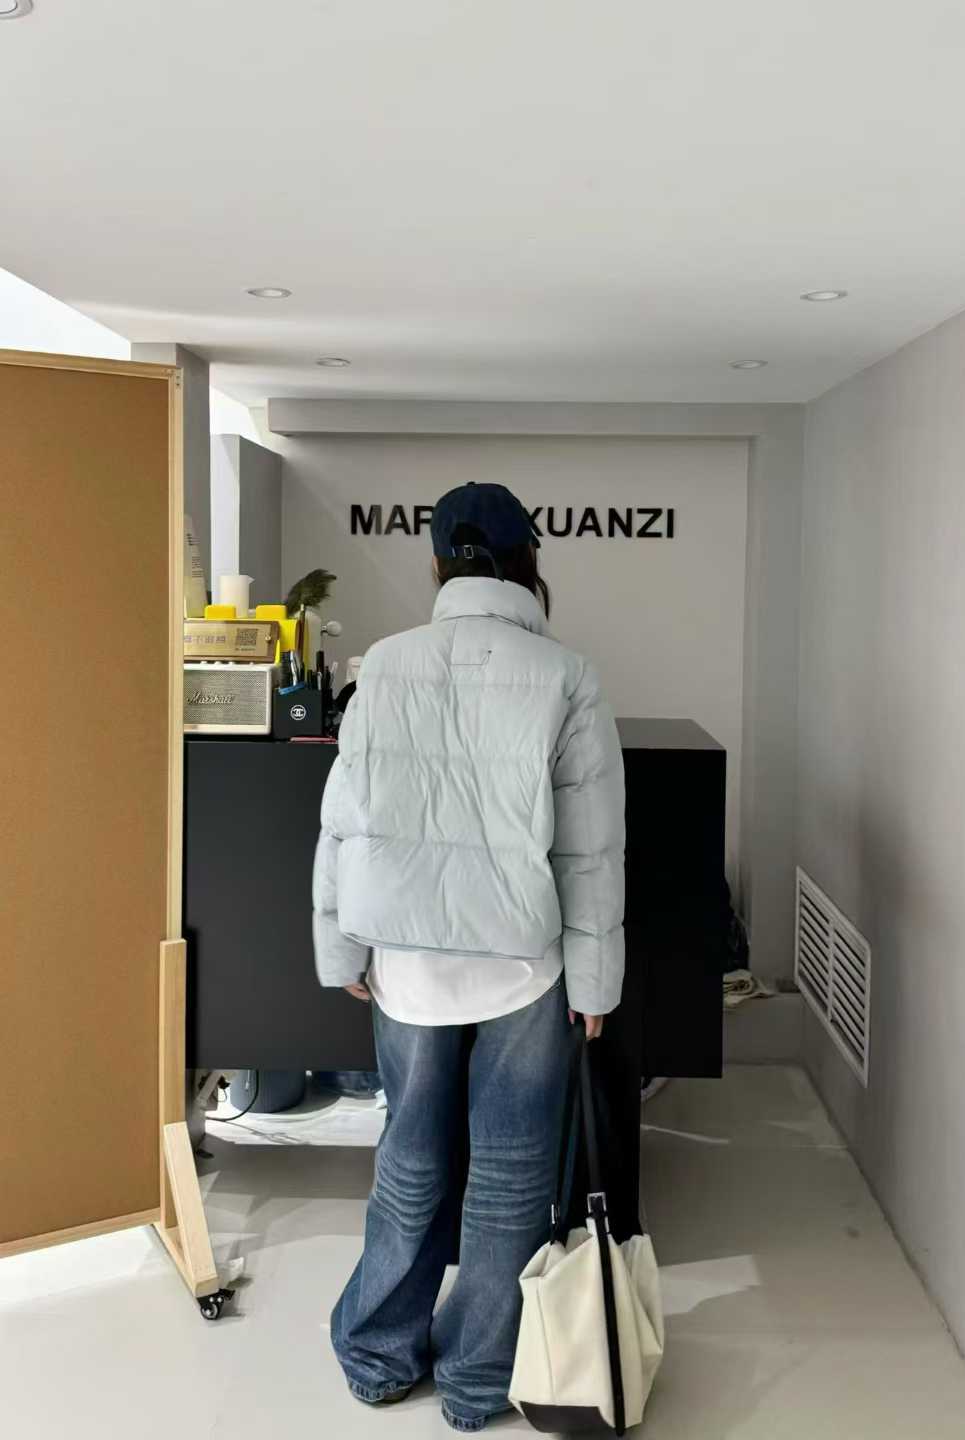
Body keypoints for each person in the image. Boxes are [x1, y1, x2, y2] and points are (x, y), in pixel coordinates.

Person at [312, 481, 626, 1432]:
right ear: (529, 560)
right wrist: (595, 982)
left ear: (439, 560)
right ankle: (480, 1377)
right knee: (513, 1172)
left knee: (408, 1155)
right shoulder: (567, 674)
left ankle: (379, 1352)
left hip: (406, 962)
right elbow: (590, 850)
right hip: (521, 965)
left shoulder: (384, 664)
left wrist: (341, 943)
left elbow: (343, 820)